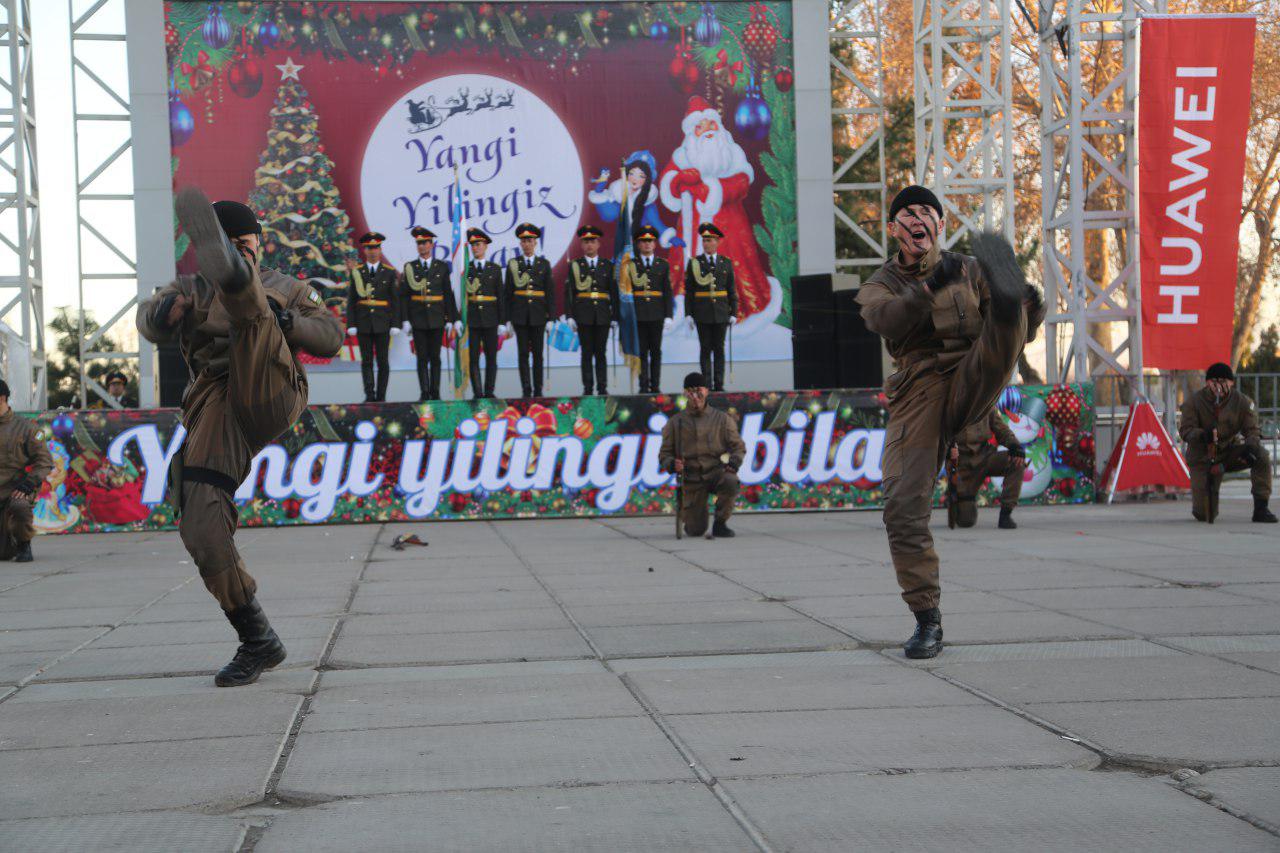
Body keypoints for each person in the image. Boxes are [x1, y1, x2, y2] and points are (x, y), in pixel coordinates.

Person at [137, 188, 343, 686]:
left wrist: (287, 319)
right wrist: (167, 314)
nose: (239, 245)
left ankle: (240, 286)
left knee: (254, 312)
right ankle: (257, 638)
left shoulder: (289, 286)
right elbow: (147, 320)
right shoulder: (187, 287)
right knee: (200, 524)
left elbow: (332, 336)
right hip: (216, 405)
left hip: (270, 384)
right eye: (226, 244)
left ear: (260, 242)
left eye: (242, 242)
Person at [857, 185, 1044, 659]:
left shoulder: (970, 269)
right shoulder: (880, 282)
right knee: (901, 504)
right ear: (894, 229)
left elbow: (1014, 345)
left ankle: (1008, 304)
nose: (917, 219)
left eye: (927, 213)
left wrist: (1027, 310)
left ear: (940, 226)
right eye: (907, 214)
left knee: (1004, 328)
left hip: (975, 371)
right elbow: (888, 320)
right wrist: (929, 288)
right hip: (919, 388)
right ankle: (927, 619)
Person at [1179, 362, 1276, 523]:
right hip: (1203, 458)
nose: (1219, 386)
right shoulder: (1194, 402)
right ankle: (1209, 496)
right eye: (1214, 381)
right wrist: (1203, 435)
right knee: (1204, 514)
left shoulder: (1242, 402)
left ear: (1231, 382)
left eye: (1224, 381)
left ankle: (1261, 508)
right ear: (1207, 382)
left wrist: (1251, 447)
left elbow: (1252, 430)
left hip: (1228, 453)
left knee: (1261, 455)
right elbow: (1185, 430)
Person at [659, 372, 745, 538]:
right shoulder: (675, 423)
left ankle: (720, 523)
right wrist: (671, 464)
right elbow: (664, 454)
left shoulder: (722, 419)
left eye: (699, 391)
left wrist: (733, 463)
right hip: (691, 479)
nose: (695, 396)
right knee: (695, 531)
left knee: (730, 480)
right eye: (691, 392)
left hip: (715, 472)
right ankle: (692, 515)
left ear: (706, 391)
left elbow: (738, 446)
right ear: (685, 393)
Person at [399, 226, 457, 401]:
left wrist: (451, 318)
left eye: (425, 243)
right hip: (418, 318)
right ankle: (424, 391)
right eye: (419, 243)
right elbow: (404, 296)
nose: (422, 246)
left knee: (436, 358)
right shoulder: (410, 267)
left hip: (437, 318)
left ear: (432, 245)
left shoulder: (441, 266)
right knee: (422, 357)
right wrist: (405, 319)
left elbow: (448, 293)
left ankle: (435, 391)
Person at [345, 232, 401, 403]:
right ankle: (369, 395)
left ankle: (381, 396)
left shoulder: (389, 273)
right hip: (363, 322)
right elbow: (352, 300)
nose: (373, 251)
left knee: (383, 361)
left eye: (376, 247)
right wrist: (351, 323)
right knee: (366, 361)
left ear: (380, 249)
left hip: (383, 322)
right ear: (364, 250)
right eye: (369, 248)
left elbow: (395, 301)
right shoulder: (357, 272)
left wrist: (395, 323)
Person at [0, 379, 52, 563]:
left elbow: (44, 461)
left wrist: (29, 483)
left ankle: (24, 544)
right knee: (4, 554)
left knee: (20, 505)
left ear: (2, 398)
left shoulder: (26, 428)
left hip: (15, 487)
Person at [562, 225, 618, 396]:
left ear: (598, 244)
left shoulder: (607, 265)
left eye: (592, 241)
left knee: (601, 352)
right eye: (586, 241)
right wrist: (570, 315)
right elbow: (569, 292)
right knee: (586, 352)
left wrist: (615, 316)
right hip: (583, 314)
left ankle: (602, 387)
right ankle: (587, 388)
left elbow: (614, 292)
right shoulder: (575, 266)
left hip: (602, 314)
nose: (589, 245)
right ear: (581, 245)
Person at [950, 407, 1026, 530]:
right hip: (961, 464)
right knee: (966, 520)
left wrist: (1014, 446)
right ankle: (957, 501)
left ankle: (1006, 514)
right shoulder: (949, 405)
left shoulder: (987, 404)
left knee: (1016, 462)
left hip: (985, 456)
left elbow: (1002, 429)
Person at [684, 222, 737, 392]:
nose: (706, 243)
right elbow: (689, 290)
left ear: (717, 242)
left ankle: (719, 384)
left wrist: (734, 312)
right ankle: (706, 384)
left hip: (721, 311)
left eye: (710, 240)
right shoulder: (694, 263)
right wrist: (688, 314)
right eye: (704, 240)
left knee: (719, 348)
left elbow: (731, 289)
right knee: (705, 348)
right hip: (702, 312)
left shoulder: (726, 263)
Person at [504, 223, 554, 397]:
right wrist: (507, 318)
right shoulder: (513, 264)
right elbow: (508, 293)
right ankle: (526, 388)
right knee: (523, 353)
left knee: (538, 355)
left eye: (530, 240)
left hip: (539, 314)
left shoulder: (544, 264)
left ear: (535, 243)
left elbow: (549, 292)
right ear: (520, 243)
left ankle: (538, 389)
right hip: (520, 315)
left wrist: (551, 318)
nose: (526, 244)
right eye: (523, 241)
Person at [629, 224, 674, 393]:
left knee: (656, 351)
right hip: (638, 314)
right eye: (643, 241)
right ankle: (643, 386)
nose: (647, 244)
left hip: (656, 313)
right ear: (638, 244)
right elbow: (626, 293)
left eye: (650, 241)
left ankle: (655, 386)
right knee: (641, 353)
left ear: (655, 244)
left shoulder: (662, 264)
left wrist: (668, 315)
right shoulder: (631, 265)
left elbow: (667, 291)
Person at [463, 227, 505, 399]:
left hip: (490, 318)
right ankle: (477, 392)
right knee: (473, 359)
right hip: (473, 319)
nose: (475, 248)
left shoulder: (494, 269)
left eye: (478, 244)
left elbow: (500, 297)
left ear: (486, 246)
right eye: (473, 245)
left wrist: (502, 322)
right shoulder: (466, 269)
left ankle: (489, 392)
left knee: (491, 358)